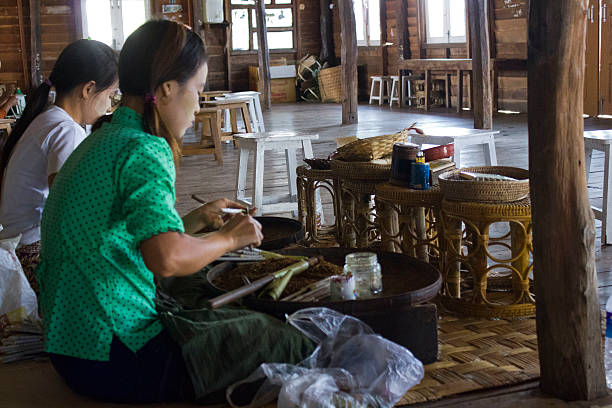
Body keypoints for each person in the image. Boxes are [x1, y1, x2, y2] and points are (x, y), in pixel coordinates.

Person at [37, 20, 313, 404]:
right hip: (113, 357)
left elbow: (128, 240)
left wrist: (197, 222)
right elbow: (165, 258)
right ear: (167, 90)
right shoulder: (145, 149)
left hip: (69, 344)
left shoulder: (102, 138)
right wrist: (229, 238)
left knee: (198, 288)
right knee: (278, 337)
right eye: (198, 90)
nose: (198, 104)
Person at [0, 40, 119, 292]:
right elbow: (71, 208)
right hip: (31, 249)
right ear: (88, 89)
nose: (109, 106)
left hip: (19, 240)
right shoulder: (66, 131)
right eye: (109, 95)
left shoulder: (49, 118)